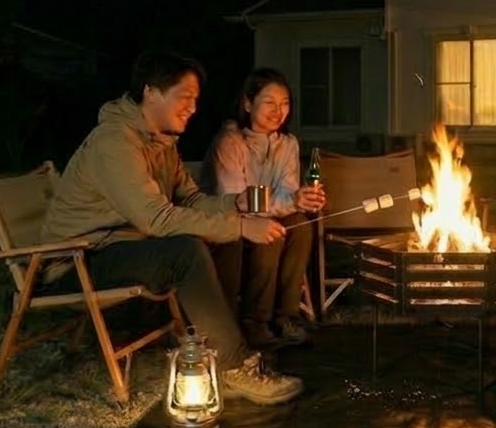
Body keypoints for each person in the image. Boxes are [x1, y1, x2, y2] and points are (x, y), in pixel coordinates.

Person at [40, 51, 302, 405]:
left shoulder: (161, 142)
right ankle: (231, 365)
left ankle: (223, 337)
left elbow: (191, 200)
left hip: (118, 246)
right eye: (186, 97)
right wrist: (239, 226)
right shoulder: (115, 143)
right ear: (152, 93)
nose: (193, 108)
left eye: (196, 99)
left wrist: (235, 207)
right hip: (77, 261)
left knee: (216, 236)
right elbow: (158, 218)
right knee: (186, 250)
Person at [199, 67, 325, 348]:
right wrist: (289, 202)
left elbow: (287, 190)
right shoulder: (229, 143)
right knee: (273, 232)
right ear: (247, 103)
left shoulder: (288, 144)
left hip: (265, 218)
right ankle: (255, 321)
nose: (278, 111)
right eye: (269, 102)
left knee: (300, 224)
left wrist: (300, 199)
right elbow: (235, 200)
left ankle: (286, 316)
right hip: (227, 225)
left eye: (285, 104)